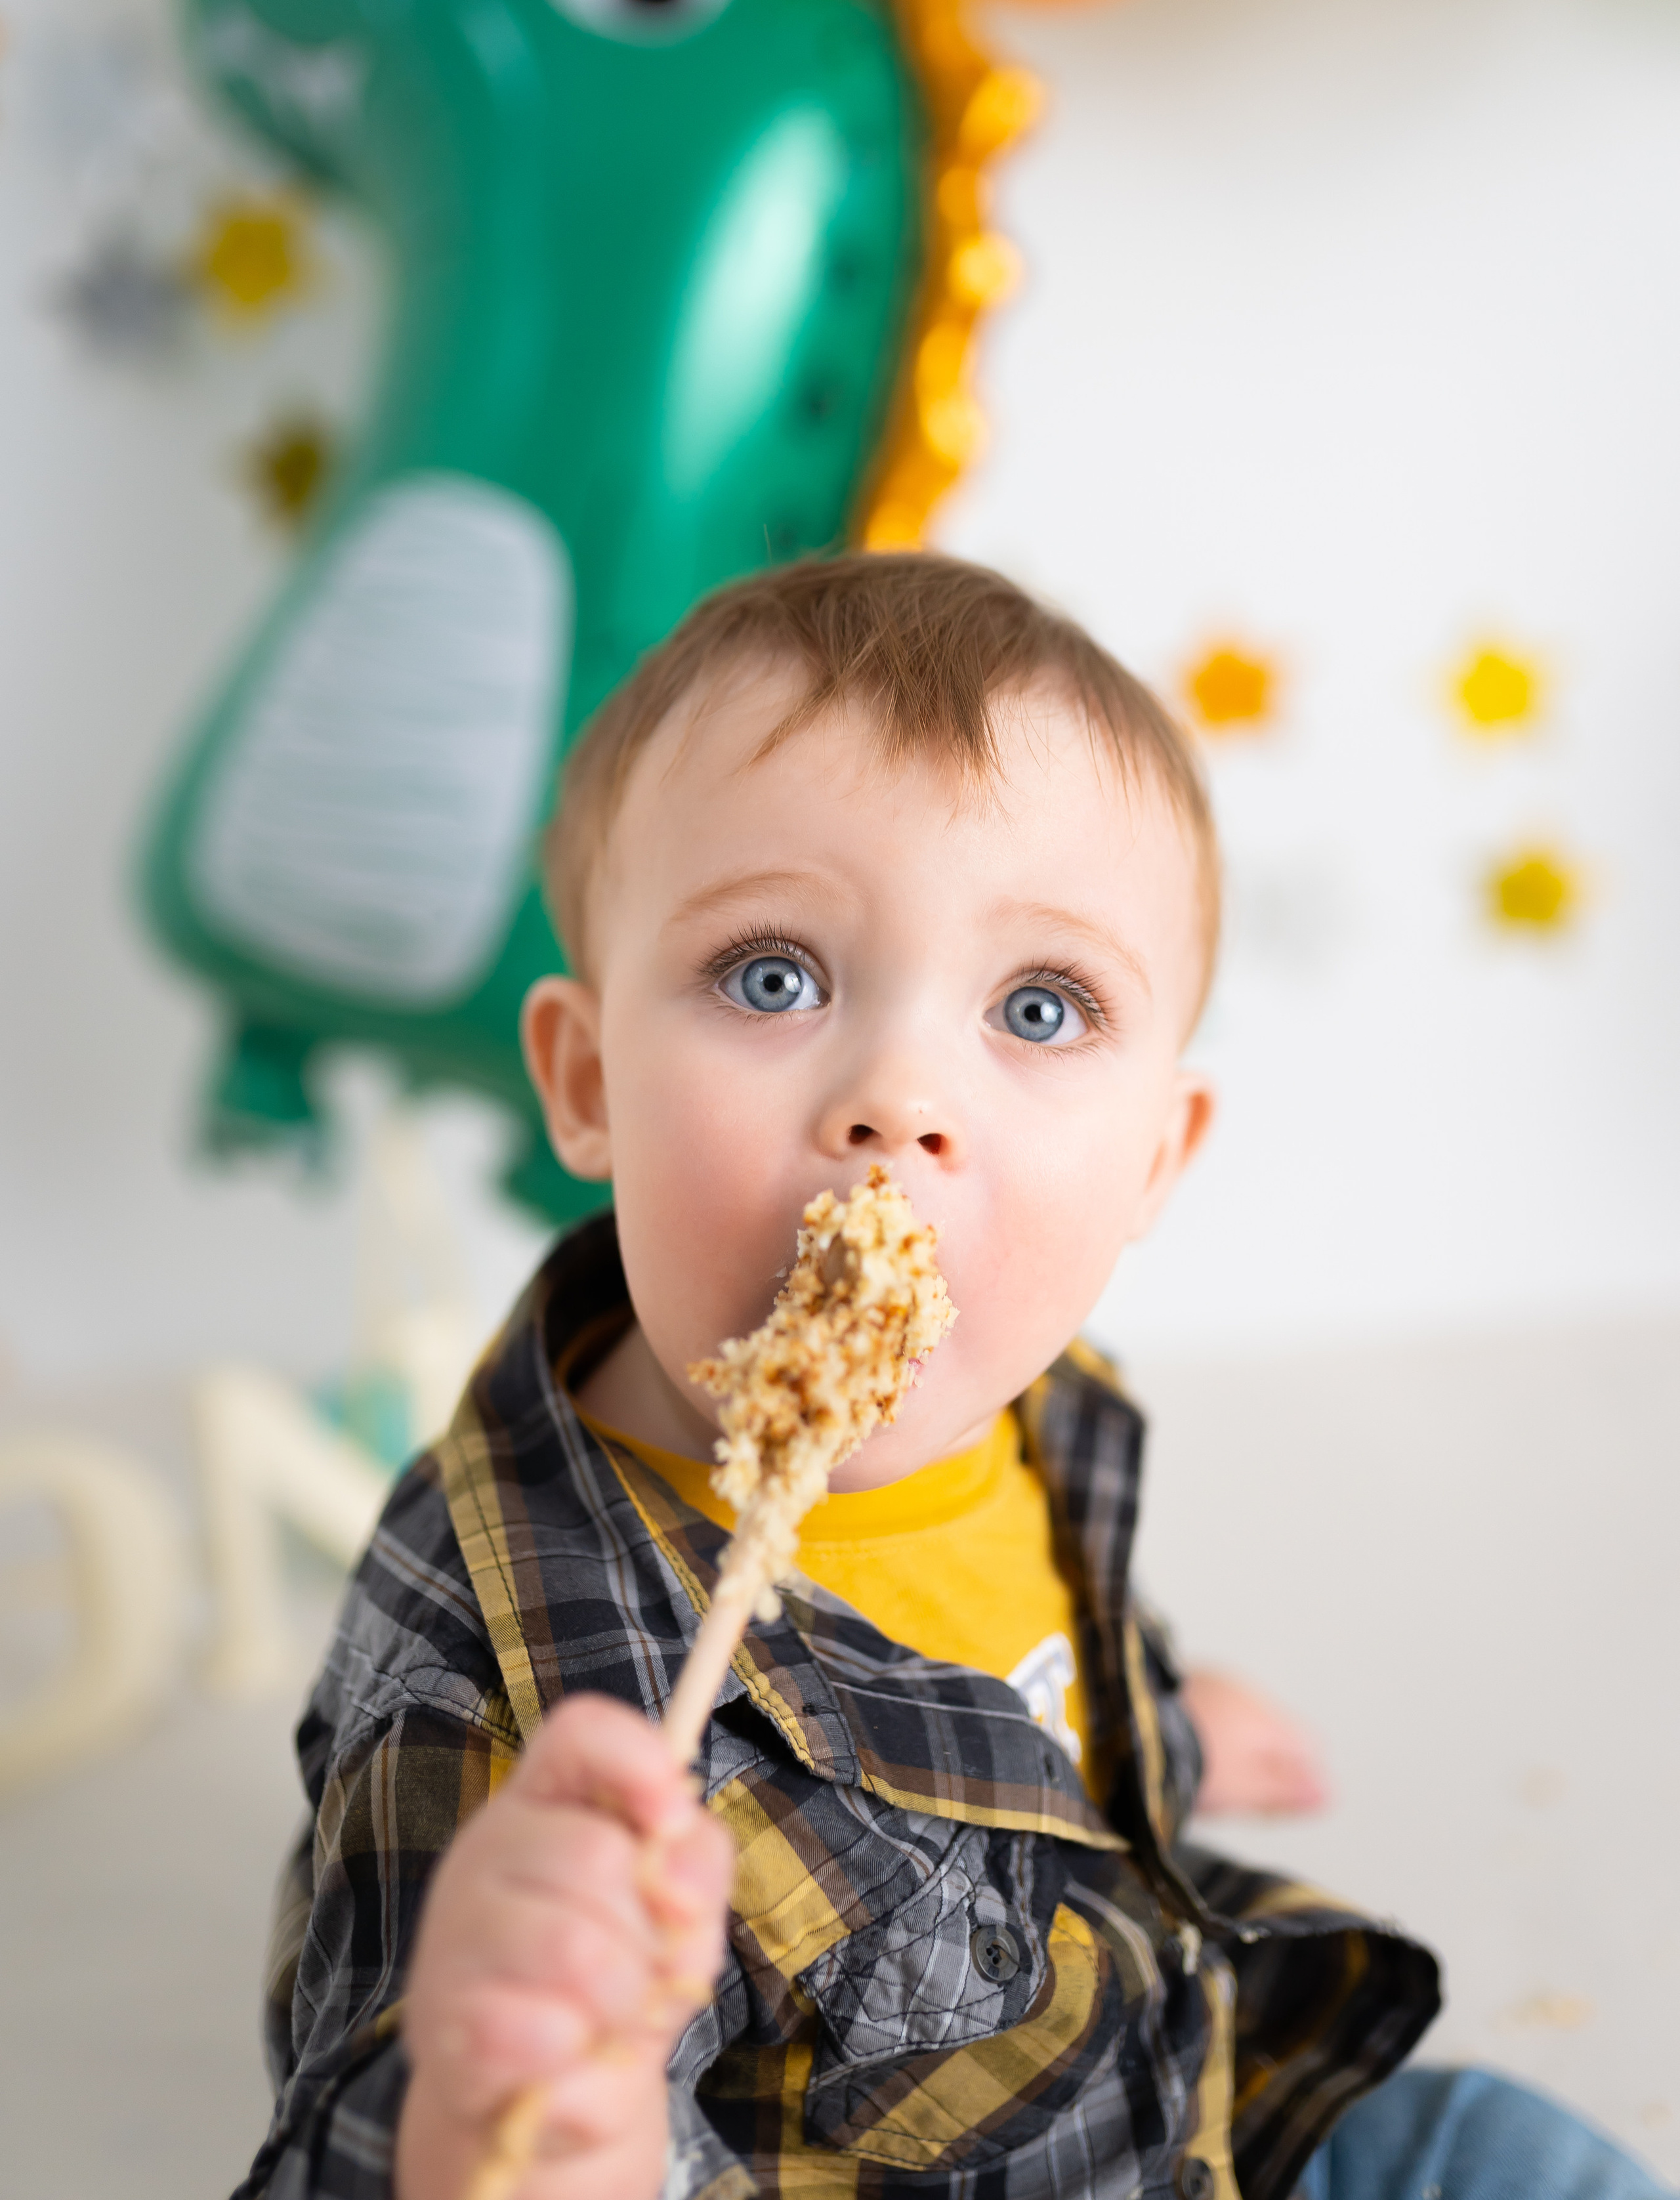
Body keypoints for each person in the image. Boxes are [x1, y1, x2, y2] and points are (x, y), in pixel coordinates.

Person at [238, 556, 1667, 2200]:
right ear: (586, 1081)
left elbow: (1031, 1668)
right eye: (772, 976)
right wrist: (534, 2116)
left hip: (1173, 2075)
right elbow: (382, 2140)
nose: (899, 1098)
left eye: (1038, 1007)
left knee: (1505, 2152)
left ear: (1153, 1160)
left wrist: (1154, 1732)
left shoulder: (1032, 1396)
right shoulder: (515, 1705)